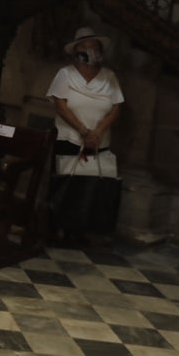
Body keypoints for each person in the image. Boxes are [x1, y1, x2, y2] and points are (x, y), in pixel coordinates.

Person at [47, 27, 124, 246]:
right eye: (85, 48)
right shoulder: (65, 74)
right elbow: (61, 105)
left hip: (98, 140)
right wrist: (82, 130)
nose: (90, 52)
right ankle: (57, 228)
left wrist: (97, 132)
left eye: (94, 48)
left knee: (89, 186)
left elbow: (116, 107)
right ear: (76, 52)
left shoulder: (109, 77)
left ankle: (79, 230)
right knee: (65, 183)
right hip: (70, 137)